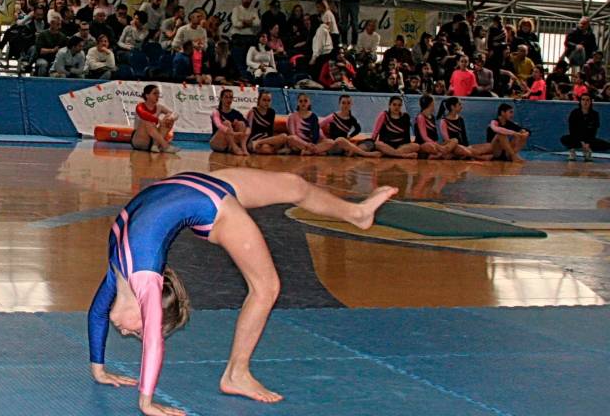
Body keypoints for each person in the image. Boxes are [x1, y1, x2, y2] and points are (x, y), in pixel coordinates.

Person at [88, 167, 398, 416]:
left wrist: (146, 403)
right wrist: (99, 370)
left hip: (205, 191)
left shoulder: (134, 281)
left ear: (147, 311)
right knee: (266, 287)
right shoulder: (126, 278)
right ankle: (237, 373)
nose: (130, 334)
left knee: (294, 185)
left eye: (138, 332)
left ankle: (357, 214)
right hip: (199, 192)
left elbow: (131, 330)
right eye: (138, 335)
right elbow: (100, 315)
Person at [132, 84, 180, 154]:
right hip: (140, 139)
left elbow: (175, 114)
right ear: (147, 95)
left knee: (169, 117)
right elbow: (144, 115)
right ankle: (165, 146)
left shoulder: (159, 107)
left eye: (158, 93)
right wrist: (157, 120)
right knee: (147, 121)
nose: (157, 96)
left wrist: (171, 118)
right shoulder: (140, 106)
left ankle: (155, 146)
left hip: (155, 140)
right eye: (155, 93)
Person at [561, 94, 609, 161]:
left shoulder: (595, 114)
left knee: (606, 145)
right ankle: (572, 151)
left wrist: (588, 143)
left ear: (590, 102)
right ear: (580, 101)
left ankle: (587, 151)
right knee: (565, 139)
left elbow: (594, 130)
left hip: (588, 138)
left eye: (587, 100)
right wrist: (582, 142)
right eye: (583, 100)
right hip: (576, 137)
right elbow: (572, 129)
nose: (585, 102)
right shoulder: (574, 113)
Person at [413, 95, 457, 159]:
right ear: (429, 104)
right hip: (423, 144)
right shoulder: (420, 117)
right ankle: (445, 154)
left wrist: (440, 145)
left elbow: (434, 136)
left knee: (454, 140)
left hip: (434, 144)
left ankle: (440, 154)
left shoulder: (432, 117)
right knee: (431, 146)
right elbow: (424, 137)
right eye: (433, 103)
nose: (434, 105)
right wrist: (439, 146)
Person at [210, 89, 250, 155]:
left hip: (229, 143)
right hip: (218, 143)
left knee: (241, 123)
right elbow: (219, 125)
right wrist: (235, 132)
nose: (229, 99)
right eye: (226, 97)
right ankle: (234, 148)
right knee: (227, 123)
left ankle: (243, 147)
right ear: (221, 99)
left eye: (231, 97)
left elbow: (247, 124)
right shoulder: (216, 112)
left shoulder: (236, 113)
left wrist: (246, 132)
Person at [34, 12, 67, 77]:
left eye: (60, 24)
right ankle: (41, 82)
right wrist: (52, 50)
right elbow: (40, 50)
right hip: (43, 58)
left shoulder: (62, 36)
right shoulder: (43, 34)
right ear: (51, 24)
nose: (59, 27)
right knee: (43, 64)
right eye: (57, 24)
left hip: (57, 59)